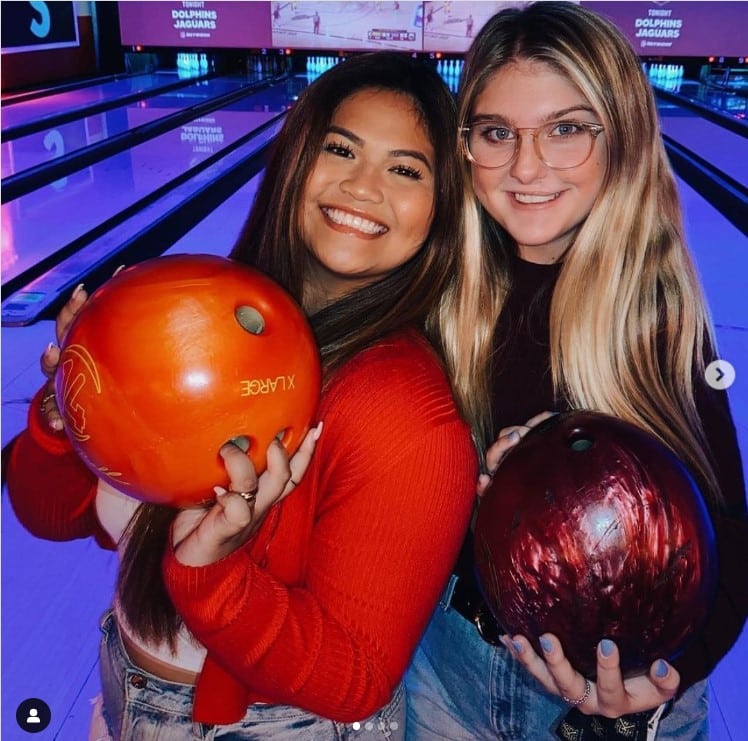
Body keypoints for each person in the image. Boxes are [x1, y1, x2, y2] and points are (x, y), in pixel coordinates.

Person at [7, 53, 483, 740]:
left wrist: (213, 570)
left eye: (405, 169)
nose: (361, 185)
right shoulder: (192, 320)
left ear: (440, 209)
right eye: (340, 148)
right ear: (295, 158)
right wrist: (65, 415)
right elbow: (55, 513)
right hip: (127, 696)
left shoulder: (405, 414)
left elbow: (356, 679)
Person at [405, 3, 748, 740]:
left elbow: (730, 539)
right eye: (498, 132)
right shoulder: (437, 295)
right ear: (465, 144)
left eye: (566, 129)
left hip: (614, 698)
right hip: (451, 668)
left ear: (619, 138)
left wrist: (665, 678)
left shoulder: (655, 315)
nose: (527, 168)